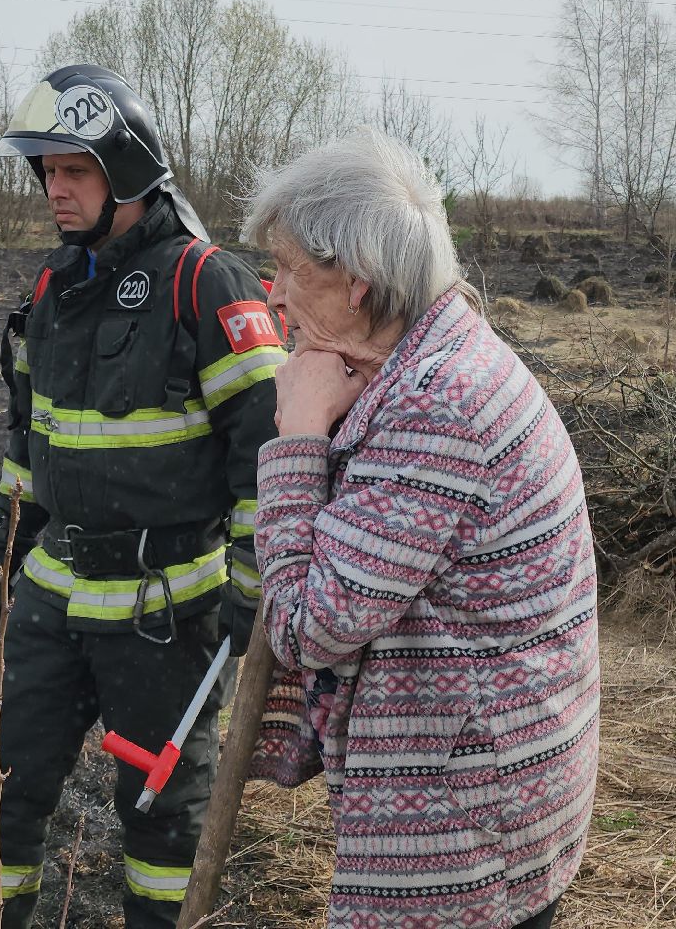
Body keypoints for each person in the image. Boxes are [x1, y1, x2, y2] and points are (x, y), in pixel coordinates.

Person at [0, 65, 284, 929]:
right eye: (47, 171)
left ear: (125, 171)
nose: (55, 189)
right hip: (53, 595)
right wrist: (4, 534)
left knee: (165, 830)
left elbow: (273, 451)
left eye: (74, 170)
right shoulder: (52, 290)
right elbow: (30, 437)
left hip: (168, 610)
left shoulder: (208, 285)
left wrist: (255, 578)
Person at [243, 128, 599, 929]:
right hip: (500, 788)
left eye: (292, 270)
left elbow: (308, 626)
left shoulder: (437, 408)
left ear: (358, 282)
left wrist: (298, 436)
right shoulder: (438, 360)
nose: (272, 294)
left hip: (463, 833)